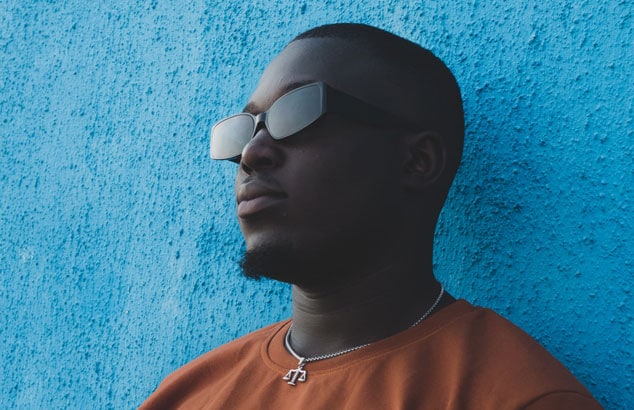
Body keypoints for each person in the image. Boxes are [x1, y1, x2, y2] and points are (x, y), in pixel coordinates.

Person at [141, 23, 602, 409]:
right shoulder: (185, 394)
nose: (253, 153)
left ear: (417, 161)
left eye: (299, 112)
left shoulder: (517, 397)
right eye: (247, 130)